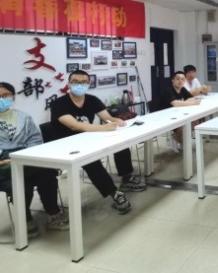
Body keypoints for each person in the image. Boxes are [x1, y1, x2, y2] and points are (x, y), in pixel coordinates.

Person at [50, 70, 146, 215]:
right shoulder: (59, 103)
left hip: (87, 138)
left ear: (89, 84)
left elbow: (107, 117)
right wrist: (103, 128)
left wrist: (116, 120)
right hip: (66, 144)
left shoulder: (92, 100)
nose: (79, 85)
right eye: (75, 82)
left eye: (83, 82)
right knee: (91, 161)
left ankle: (126, 177)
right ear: (68, 84)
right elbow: (74, 126)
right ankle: (115, 193)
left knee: (119, 143)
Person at [0, 82, 68, 237]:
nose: (2, 99)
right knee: (26, 177)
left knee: (46, 174)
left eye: (5, 95)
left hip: (26, 157)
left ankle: (52, 213)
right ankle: (25, 218)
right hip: (3, 164)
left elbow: (35, 139)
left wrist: (27, 155)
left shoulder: (23, 117)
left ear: (12, 97)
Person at [160, 71, 201, 151]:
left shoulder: (182, 89)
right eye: (178, 79)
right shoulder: (168, 90)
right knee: (186, 123)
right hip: (164, 116)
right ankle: (179, 140)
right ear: (173, 80)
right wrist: (191, 103)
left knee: (195, 121)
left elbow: (191, 98)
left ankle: (178, 139)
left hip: (176, 114)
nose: (180, 81)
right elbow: (175, 103)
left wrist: (184, 103)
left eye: (182, 79)